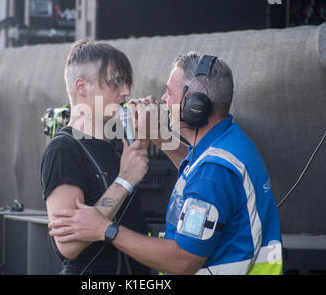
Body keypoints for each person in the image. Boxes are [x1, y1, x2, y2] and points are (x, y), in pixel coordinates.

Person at [48, 51, 283, 275]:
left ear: (196, 105)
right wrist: (158, 137)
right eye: (115, 82)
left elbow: (183, 261)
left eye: (170, 92)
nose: (162, 99)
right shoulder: (227, 143)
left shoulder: (214, 171)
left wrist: (105, 229)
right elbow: (195, 167)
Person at [40, 40, 151, 274]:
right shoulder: (63, 149)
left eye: (127, 81)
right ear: (81, 87)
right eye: (115, 82)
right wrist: (124, 181)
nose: (126, 92)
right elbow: (68, 246)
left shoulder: (114, 146)